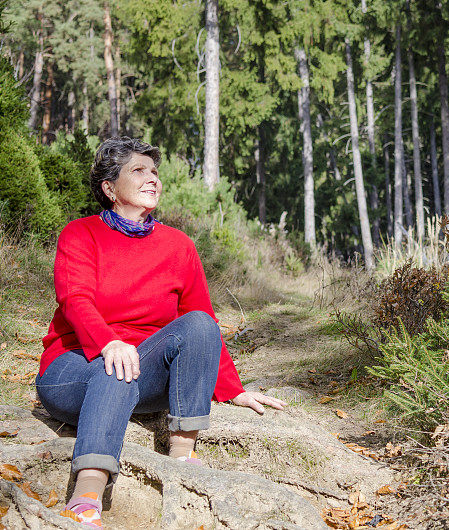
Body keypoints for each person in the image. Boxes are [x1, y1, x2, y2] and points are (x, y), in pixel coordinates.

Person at [36, 137, 287, 528]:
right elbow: (76, 300)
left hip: (142, 372)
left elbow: (200, 321)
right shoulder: (80, 234)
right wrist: (109, 342)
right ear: (109, 188)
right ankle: (87, 493)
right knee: (115, 366)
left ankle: (183, 456)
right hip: (74, 370)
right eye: (138, 170)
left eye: (154, 171)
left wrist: (231, 389)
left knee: (198, 324)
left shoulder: (178, 245)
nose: (151, 178)